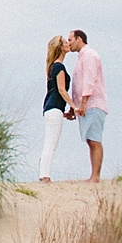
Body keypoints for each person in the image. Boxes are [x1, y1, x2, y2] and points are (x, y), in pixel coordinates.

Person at [66, 29, 107, 182]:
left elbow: (89, 81)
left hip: (93, 104)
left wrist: (83, 104)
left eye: (70, 40)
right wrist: (73, 108)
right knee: (90, 139)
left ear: (79, 39)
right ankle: (93, 174)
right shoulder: (80, 58)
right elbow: (77, 85)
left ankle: (95, 175)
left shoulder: (90, 55)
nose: (68, 43)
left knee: (95, 139)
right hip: (85, 106)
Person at [39, 34, 77, 181]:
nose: (68, 43)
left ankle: (44, 174)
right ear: (60, 48)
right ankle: (45, 176)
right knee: (51, 143)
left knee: (49, 142)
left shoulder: (53, 66)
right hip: (54, 108)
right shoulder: (59, 66)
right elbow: (62, 90)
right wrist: (74, 106)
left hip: (52, 108)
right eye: (65, 42)